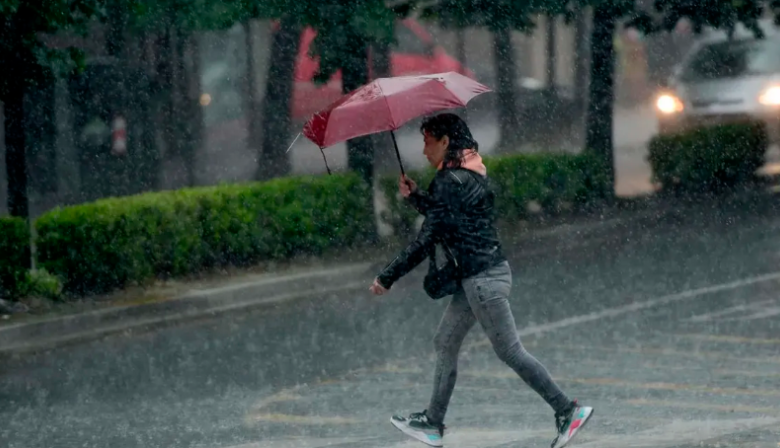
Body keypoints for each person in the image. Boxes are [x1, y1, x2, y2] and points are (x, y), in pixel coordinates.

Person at [368, 113, 593, 448]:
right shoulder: (468, 174)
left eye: (428, 140)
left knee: (510, 351)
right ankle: (432, 422)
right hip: (482, 276)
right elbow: (448, 217)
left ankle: (567, 410)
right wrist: (416, 197)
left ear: (445, 142)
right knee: (445, 341)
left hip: (482, 280)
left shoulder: (449, 181)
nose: (424, 148)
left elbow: (427, 239)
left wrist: (387, 277)